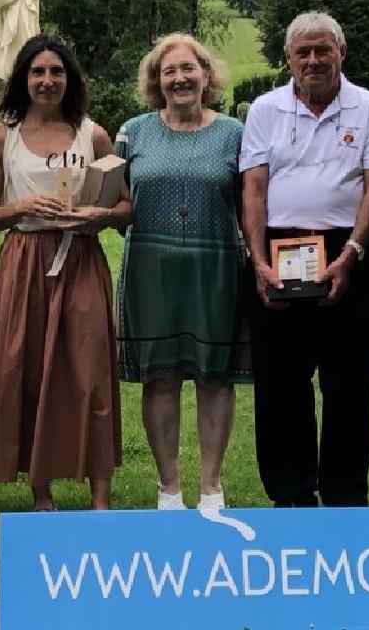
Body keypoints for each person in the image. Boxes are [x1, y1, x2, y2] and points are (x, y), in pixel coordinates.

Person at [0, 34, 132, 511]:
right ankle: (41, 491)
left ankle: (100, 495)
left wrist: (98, 216)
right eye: (38, 71)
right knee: (29, 368)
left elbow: (125, 205)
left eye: (56, 72)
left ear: (69, 79)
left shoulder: (93, 134)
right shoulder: (2, 137)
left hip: (80, 259)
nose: (47, 80)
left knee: (91, 371)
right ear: (23, 78)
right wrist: (22, 206)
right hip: (24, 262)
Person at [240, 11, 369, 508]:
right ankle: (292, 493)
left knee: (347, 383)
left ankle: (347, 495)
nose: (313, 60)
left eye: (322, 49)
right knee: (281, 382)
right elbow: (255, 186)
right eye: (302, 52)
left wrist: (352, 254)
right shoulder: (264, 109)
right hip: (278, 252)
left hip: (349, 248)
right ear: (287, 58)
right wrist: (257, 260)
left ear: (341, 53)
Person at [114, 33, 249, 511]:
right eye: (168, 71)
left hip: (217, 268)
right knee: (161, 377)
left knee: (215, 376)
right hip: (150, 271)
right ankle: (168, 487)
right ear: (156, 81)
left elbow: (249, 202)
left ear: (206, 74)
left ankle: (211, 486)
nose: (180, 78)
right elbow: (117, 204)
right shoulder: (133, 131)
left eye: (188, 68)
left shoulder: (235, 132)